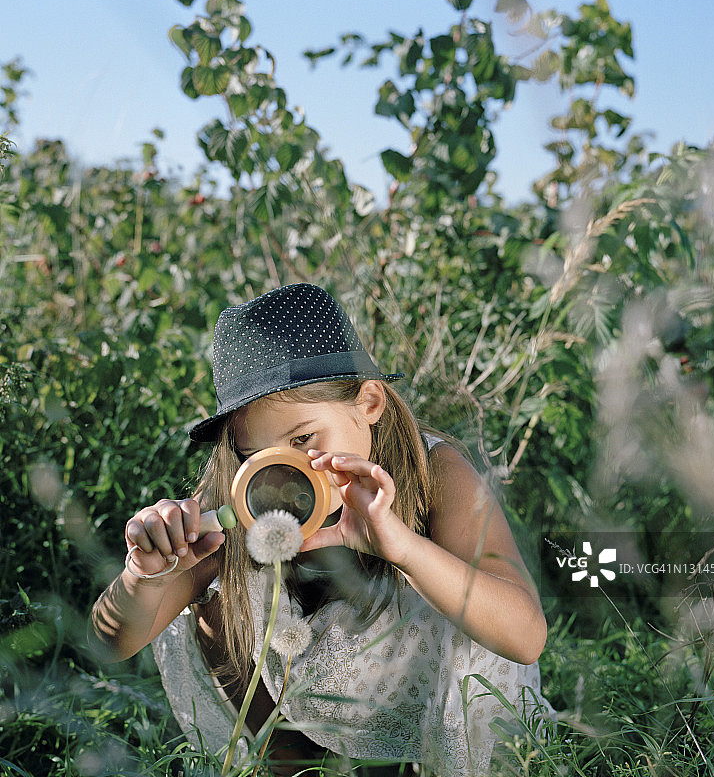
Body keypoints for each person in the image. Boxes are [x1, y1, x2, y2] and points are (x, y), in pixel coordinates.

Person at [89, 283, 552, 776]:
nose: (288, 472)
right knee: (207, 604)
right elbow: (110, 643)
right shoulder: (239, 497)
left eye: (304, 438)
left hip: (424, 705)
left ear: (368, 403)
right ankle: (293, 769)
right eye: (257, 457)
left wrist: (403, 548)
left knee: (469, 607)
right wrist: (145, 575)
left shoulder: (436, 471)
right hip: (308, 712)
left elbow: (524, 639)